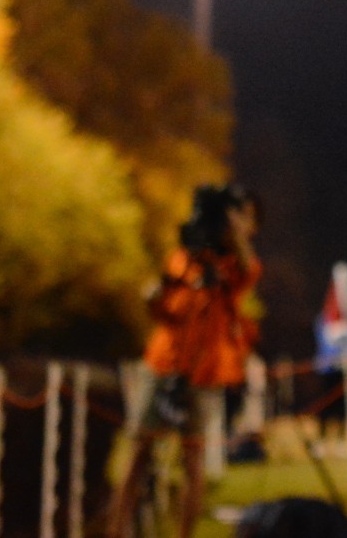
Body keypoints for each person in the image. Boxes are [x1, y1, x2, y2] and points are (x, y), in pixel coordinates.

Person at [113, 183, 261, 538]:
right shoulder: (183, 257)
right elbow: (164, 310)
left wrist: (235, 232)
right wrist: (153, 298)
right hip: (163, 363)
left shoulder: (233, 266)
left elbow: (249, 271)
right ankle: (117, 531)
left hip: (204, 373)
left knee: (193, 460)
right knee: (139, 452)